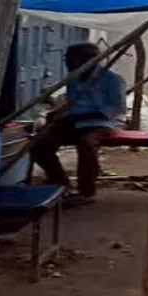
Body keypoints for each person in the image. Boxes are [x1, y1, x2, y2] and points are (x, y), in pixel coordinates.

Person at [31, 43, 127, 204]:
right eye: (66, 60)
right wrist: (56, 112)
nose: (67, 64)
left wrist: (80, 117)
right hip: (74, 122)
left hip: (103, 123)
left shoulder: (112, 79)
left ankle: (86, 191)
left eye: (71, 60)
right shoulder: (73, 78)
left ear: (89, 61)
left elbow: (117, 109)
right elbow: (72, 105)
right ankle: (60, 184)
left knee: (86, 143)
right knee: (39, 143)